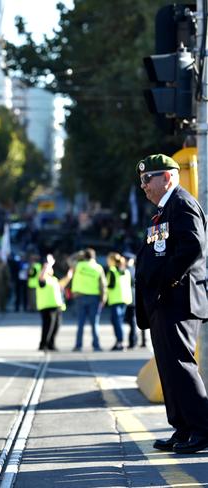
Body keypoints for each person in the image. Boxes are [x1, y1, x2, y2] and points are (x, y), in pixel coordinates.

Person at [135, 154, 208, 454]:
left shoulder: (182, 204)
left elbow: (193, 246)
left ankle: (202, 428)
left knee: (180, 365)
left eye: (146, 179)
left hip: (178, 299)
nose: (143, 187)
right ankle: (183, 428)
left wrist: (163, 281)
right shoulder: (164, 211)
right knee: (168, 367)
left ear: (166, 177)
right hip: (164, 301)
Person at [70, 247, 107, 351]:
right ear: (94, 257)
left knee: (80, 323)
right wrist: (103, 299)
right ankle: (96, 345)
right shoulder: (98, 267)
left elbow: (69, 260)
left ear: (84, 256)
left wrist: (78, 254)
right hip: (94, 298)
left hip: (80, 297)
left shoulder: (78, 265)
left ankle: (78, 345)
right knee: (94, 323)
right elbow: (103, 285)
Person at [36, 253, 72, 351]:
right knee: (48, 326)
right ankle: (43, 344)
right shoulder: (43, 279)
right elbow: (42, 276)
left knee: (56, 326)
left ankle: (51, 344)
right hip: (47, 307)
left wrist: (69, 276)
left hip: (57, 306)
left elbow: (61, 285)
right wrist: (48, 265)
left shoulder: (53, 279)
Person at [106, 252, 132, 351]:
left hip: (116, 300)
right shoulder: (126, 271)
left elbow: (110, 285)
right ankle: (119, 341)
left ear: (112, 261)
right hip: (125, 299)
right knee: (119, 321)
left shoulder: (112, 271)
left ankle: (120, 342)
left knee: (117, 322)